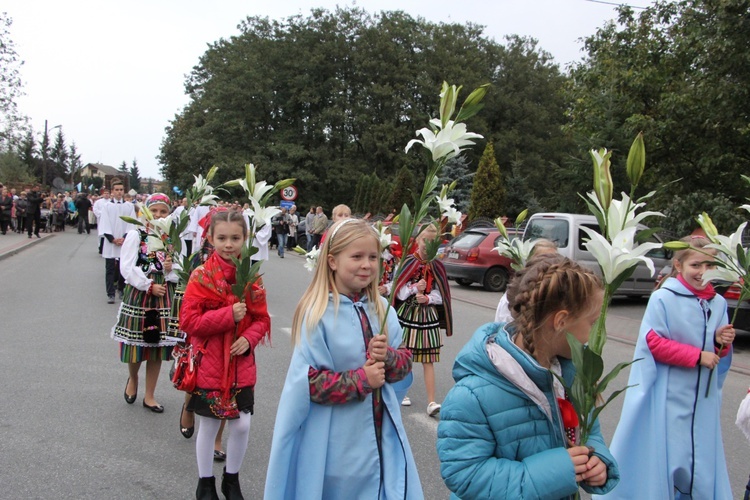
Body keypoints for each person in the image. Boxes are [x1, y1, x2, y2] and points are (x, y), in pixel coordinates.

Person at [437, 256, 619, 499]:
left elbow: (588, 431)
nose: (595, 334)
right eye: (592, 323)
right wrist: (557, 470)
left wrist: (597, 460)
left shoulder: (572, 375)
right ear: (561, 320)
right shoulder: (472, 395)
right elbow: (465, 474)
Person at [264, 218, 421, 499]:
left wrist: (389, 359)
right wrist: (362, 379)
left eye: (373, 257)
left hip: (381, 438)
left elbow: (405, 363)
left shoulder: (382, 308)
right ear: (333, 261)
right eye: (357, 256)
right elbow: (308, 384)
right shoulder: (318, 312)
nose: (367, 264)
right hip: (335, 444)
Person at [597, 236, 735, 499]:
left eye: (709, 265)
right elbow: (653, 342)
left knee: (699, 461)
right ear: (679, 265)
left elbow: (718, 354)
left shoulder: (717, 303)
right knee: (670, 457)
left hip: (701, 403)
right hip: (670, 396)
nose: (703, 273)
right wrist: (697, 356)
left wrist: (721, 343)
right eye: (696, 265)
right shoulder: (664, 298)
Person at [180, 209, 271, 500]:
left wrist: (248, 337)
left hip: (240, 362)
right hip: (209, 362)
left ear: (245, 239)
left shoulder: (251, 277)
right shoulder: (200, 276)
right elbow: (189, 323)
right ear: (209, 238)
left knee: (242, 424)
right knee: (208, 423)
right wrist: (227, 315)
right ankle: (204, 483)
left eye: (235, 238)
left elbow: (262, 319)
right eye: (222, 238)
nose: (228, 244)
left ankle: (231, 480)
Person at [111, 193, 182, 414]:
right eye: (155, 211)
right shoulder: (136, 235)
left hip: (163, 296)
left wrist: (170, 270)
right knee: (137, 346)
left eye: (163, 211)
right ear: (146, 213)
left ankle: (150, 395)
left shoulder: (170, 239)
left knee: (157, 348)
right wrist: (148, 285)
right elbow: (127, 268)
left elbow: (180, 270)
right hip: (141, 294)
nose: (159, 215)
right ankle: (133, 379)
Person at [392, 222, 452, 415]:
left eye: (432, 241)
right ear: (417, 240)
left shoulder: (437, 266)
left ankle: (432, 402)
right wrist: (413, 289)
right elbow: (398, 292)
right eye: (425, 240)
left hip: (428, 315)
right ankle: (403, 390)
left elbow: (441, 295)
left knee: (429, 359)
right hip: (408, 313)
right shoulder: (408, 262)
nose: (427, 244)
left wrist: (427, 298)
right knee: (405, 354)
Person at [495, 238, 558, 323]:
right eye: (544, 260)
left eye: (555, 260)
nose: (551, 265)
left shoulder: (560, 290)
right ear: (531, 262)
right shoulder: (512, 296)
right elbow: (503, 327)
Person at [99, 179, 136, 303]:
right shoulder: (107, 206)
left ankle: (121, 289)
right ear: (112, 192)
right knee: (109, 268)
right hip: (111, 242)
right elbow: (104, 223)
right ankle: (110, 293)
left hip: (124, 242)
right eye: (117, 190)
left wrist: (125, 238)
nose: (119, 192)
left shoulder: (129, 206)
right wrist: (113, 239)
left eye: (121, 190)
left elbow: (131, 224)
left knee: (123, 267)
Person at [93, 188, 111, 253]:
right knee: (100, 234)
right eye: (105, 193)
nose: (106, 195)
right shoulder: (98, 202)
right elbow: (95, 209)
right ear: (103, 194)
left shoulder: (111, 202)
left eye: (107, 194)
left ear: (109, 195)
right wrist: (101, 214)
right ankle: (100, 246)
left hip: (109, 220)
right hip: (100, 219)